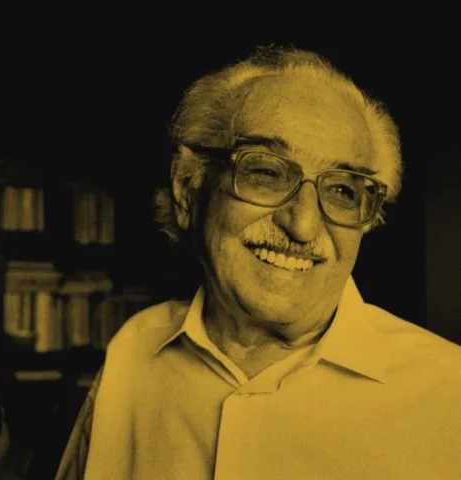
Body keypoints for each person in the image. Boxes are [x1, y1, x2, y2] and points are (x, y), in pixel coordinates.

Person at [55, 46, 461, 479]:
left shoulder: (448, 394)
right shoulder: (132, 353)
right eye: (266, 172)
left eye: (343, 190)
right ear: (188, 192)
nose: (303, 225)